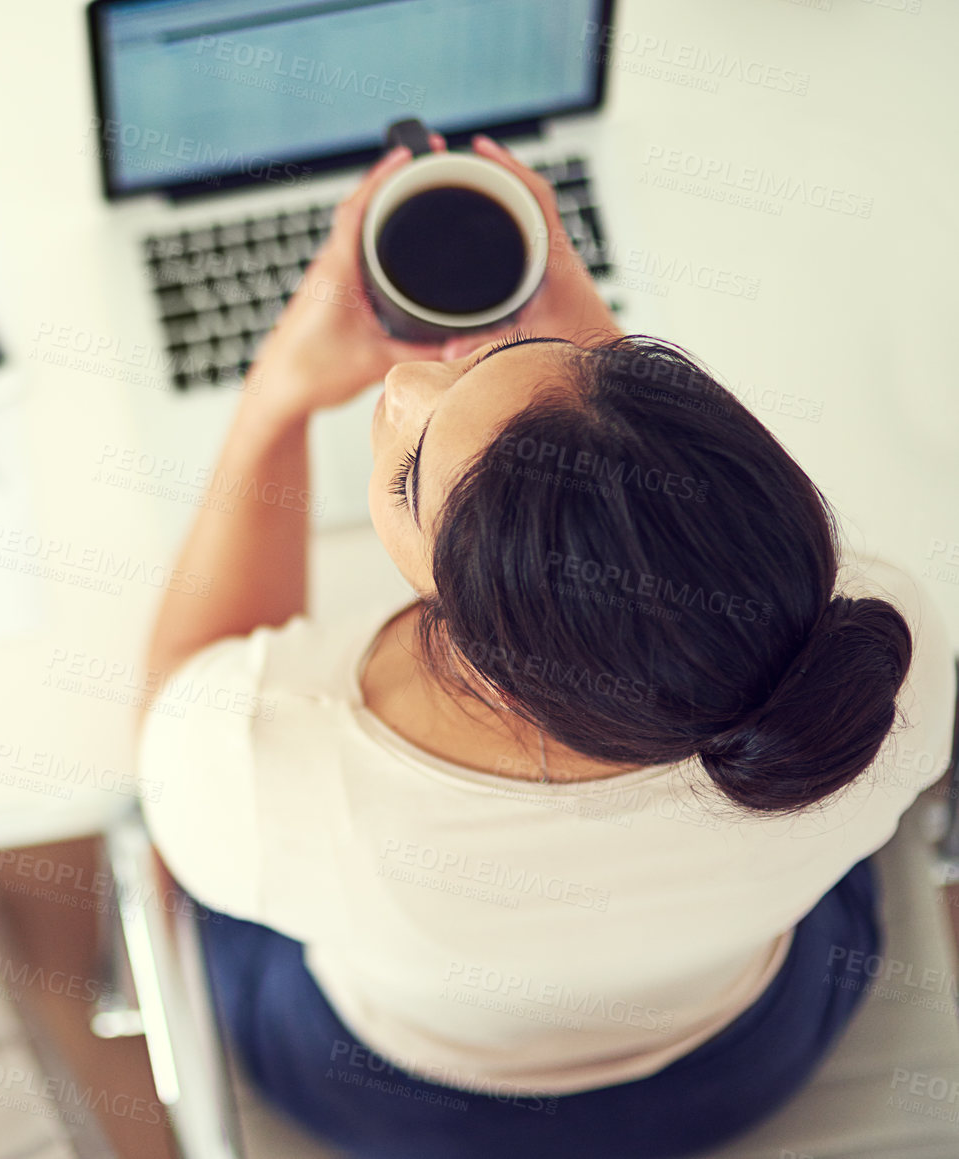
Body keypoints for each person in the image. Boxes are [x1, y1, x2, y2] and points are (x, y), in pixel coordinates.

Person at [133, 133, 956, 1157]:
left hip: (414, 1105)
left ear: (501, 665)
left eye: (410, 477)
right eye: (516, 357)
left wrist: (274, 401)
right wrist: (606, 415)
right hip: (740, 1060)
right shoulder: (883, 660)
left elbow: (175, 718)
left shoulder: (274, 761)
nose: (403, 386)